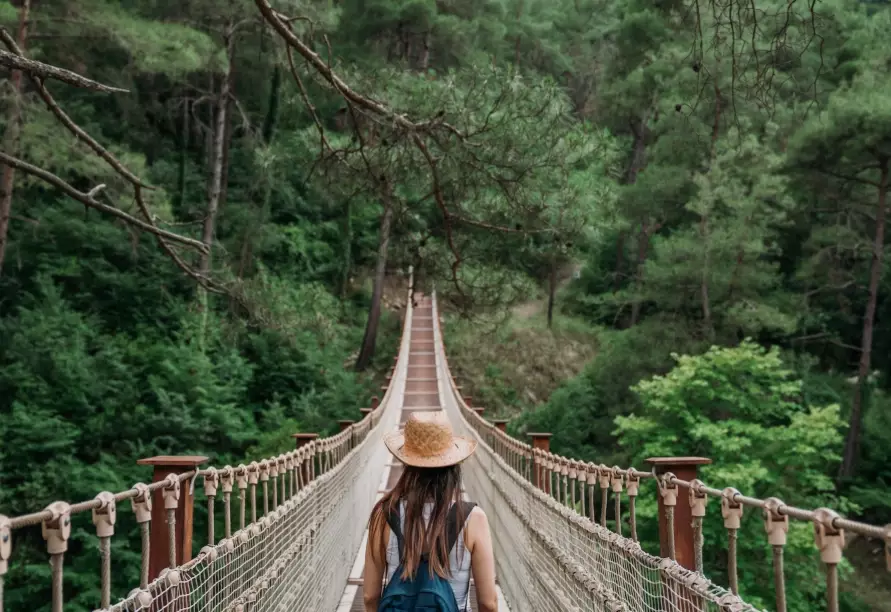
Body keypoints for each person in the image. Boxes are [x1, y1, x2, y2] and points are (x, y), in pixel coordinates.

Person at [363, 411, 498, 612]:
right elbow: (488, 603)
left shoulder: (384, 513)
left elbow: (370, 596)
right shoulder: (473, 518)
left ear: (406, 462)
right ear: (454, 464)